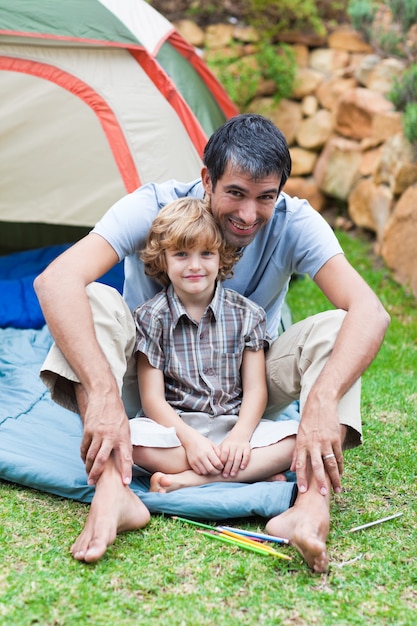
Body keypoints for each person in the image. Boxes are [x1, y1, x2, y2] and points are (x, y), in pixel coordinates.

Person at [34, 113, 390, 571]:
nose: (248, 215)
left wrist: (320, 400)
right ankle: (112, 491)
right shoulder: (154, 207)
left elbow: (371, 312)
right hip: (149, 388)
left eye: (266, 197)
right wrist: (103, 395)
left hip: (247, 389)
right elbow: (55, 280)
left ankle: (311, 506)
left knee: (342, 326)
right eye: (236, 193)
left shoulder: (295, 221)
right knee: (90, 298)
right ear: (207, 178)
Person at [130, 197, 299, 491]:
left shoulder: (248, 314)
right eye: (181, 254)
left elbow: (256, 388)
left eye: (206, 253)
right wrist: (190, 440)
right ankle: (250, 470)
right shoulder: (151, 317)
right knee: (128, 440)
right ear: (163, 259)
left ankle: (187, 480)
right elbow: (153, 399)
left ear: (221, 257)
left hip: (233, 425)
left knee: (299, 440)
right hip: (175, 430)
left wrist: (241, 436)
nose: (195, 266)